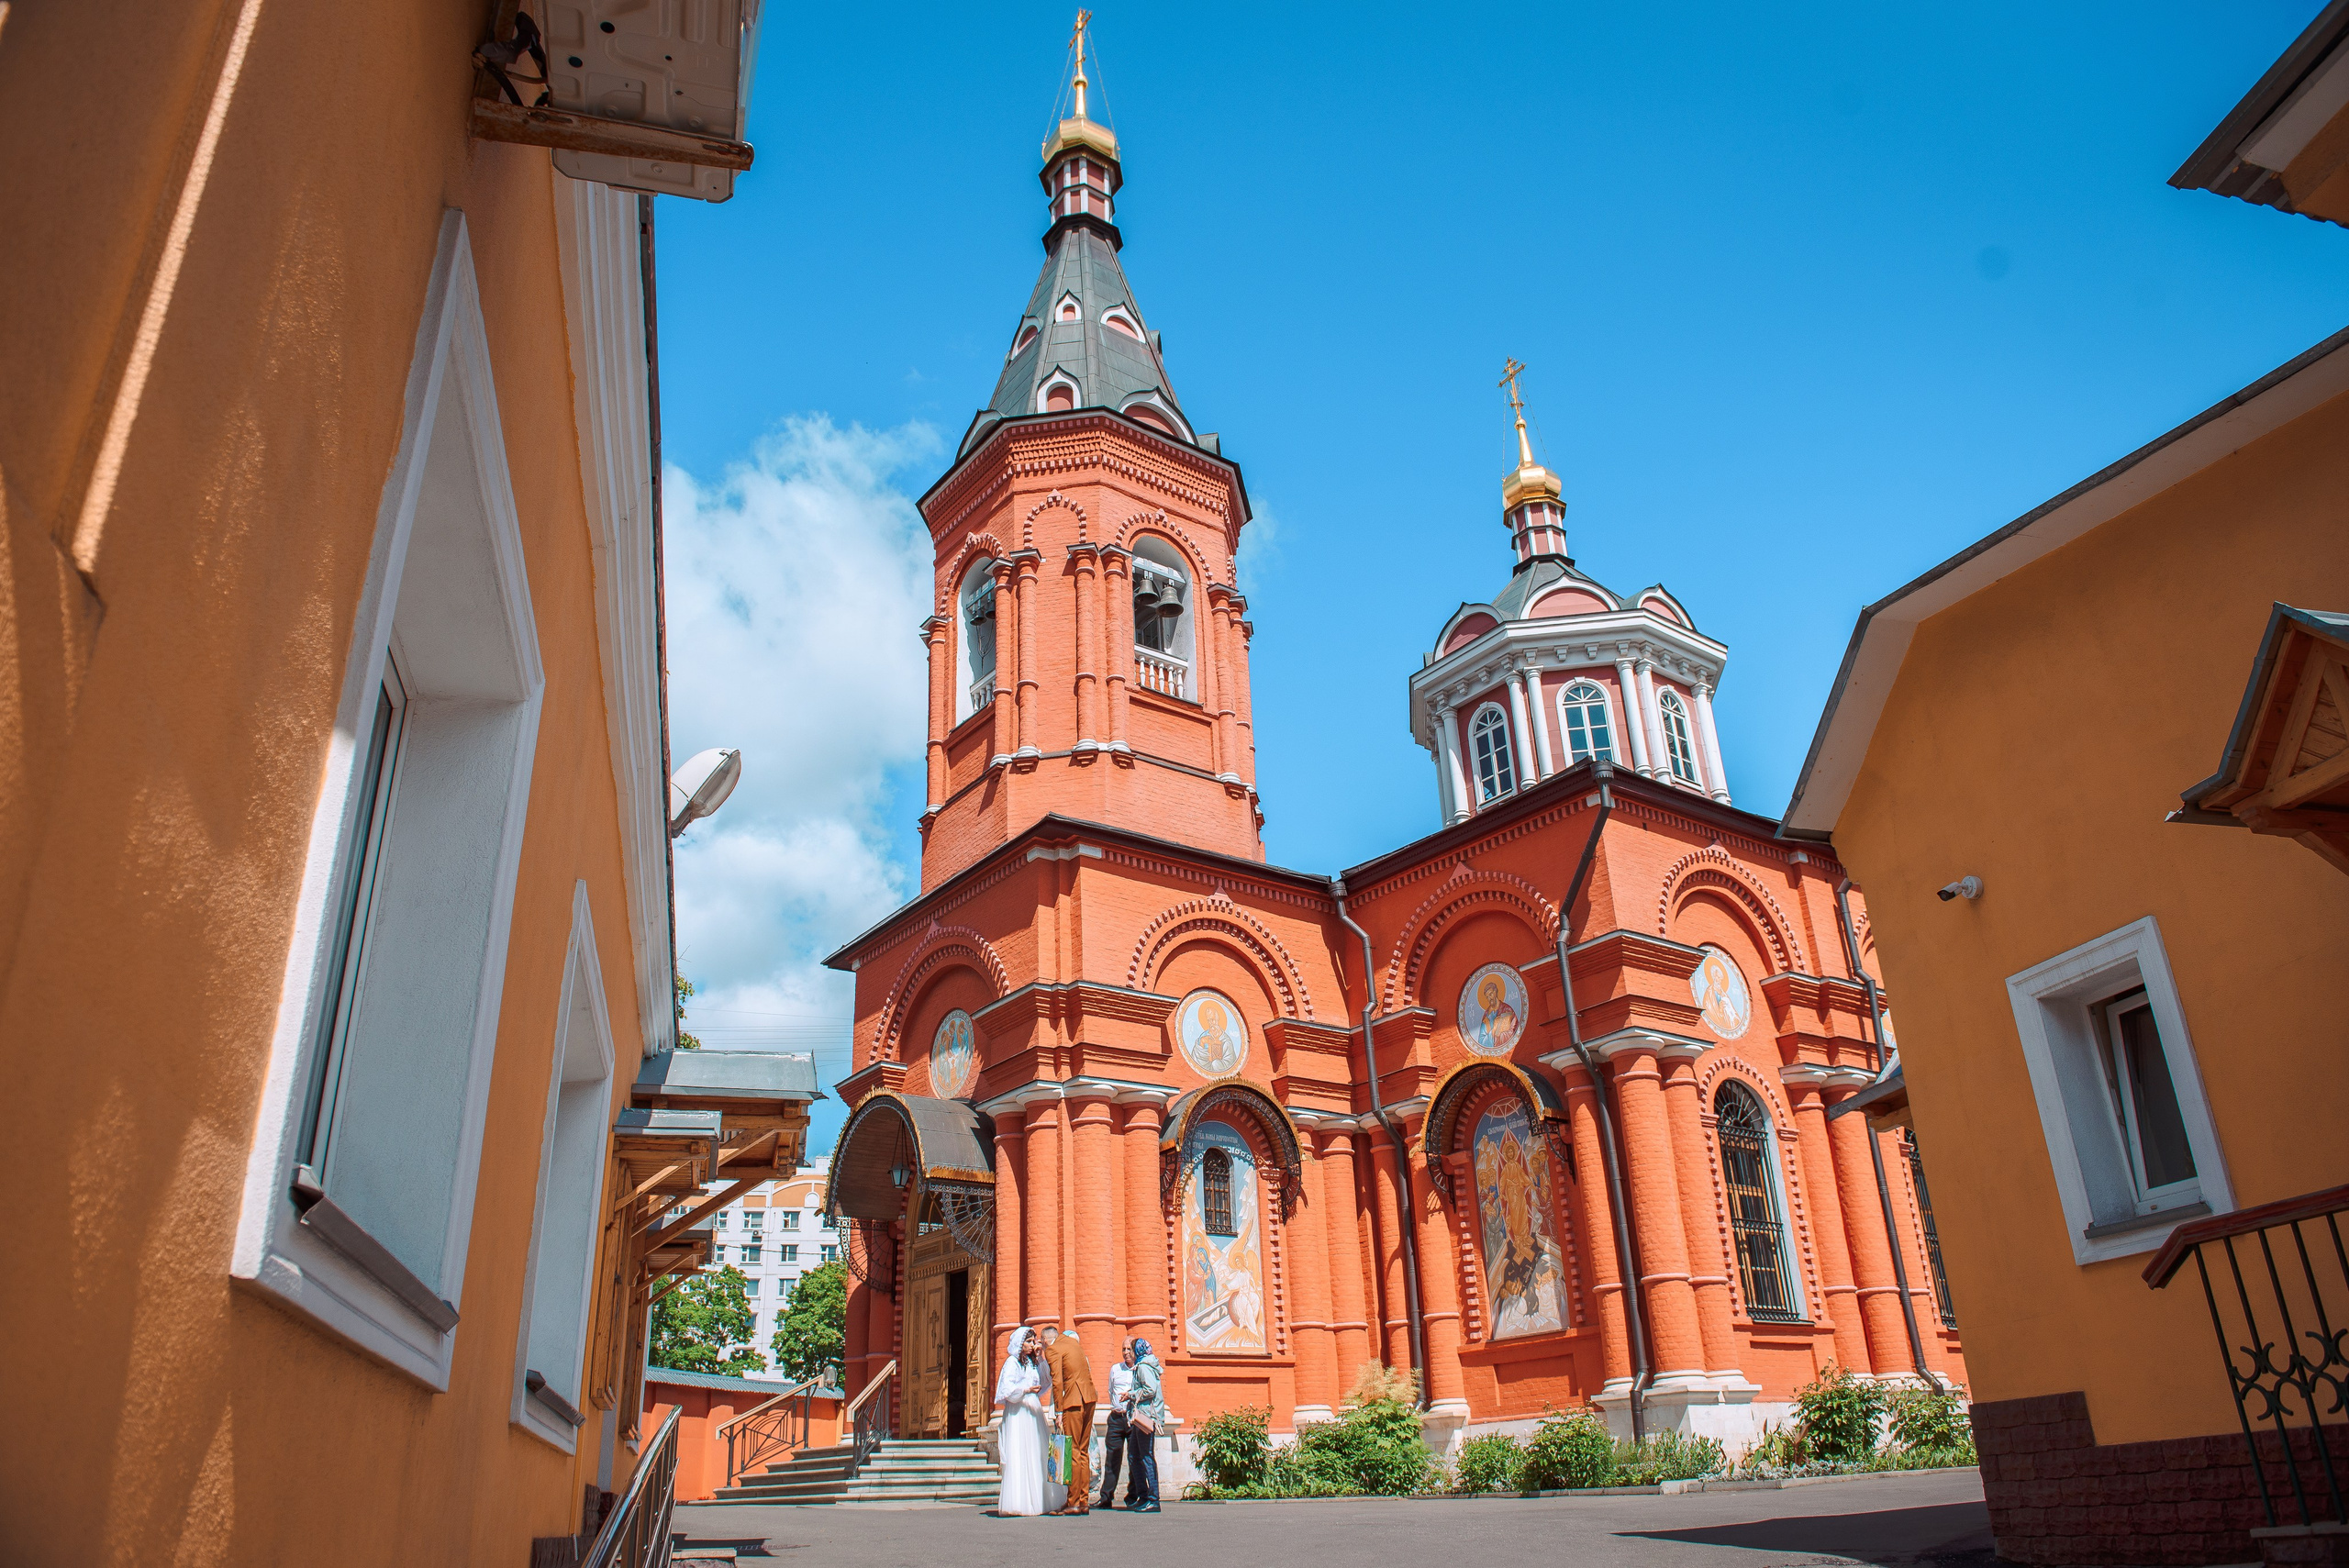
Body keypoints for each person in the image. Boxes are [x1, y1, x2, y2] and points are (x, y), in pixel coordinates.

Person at [992, 1328, 1055, 1517]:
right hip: (1018, 1411)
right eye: (1028, 1342)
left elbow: (1046, 1380)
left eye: (1033, 1341)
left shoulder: (1032, 1362)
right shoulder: (1012, 1362)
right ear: (1020, 1343)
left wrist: (1041, 1356)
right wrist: (1026, 1389)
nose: (1031, 1345)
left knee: (1037, 1452)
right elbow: (1007, 1390)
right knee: (1020, 1452)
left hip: (1033, 1410)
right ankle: (1019, 1501)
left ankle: (1039, 1500)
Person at [1039, 1324, 1097, 1515]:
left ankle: (1072, 1502)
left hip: (1073, 1402)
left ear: (1046, 1340)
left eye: (1042, 1342)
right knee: (1083, 1452)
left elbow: (1057, 1382)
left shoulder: (1053, 1350)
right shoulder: (1073, 1343)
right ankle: (1083, 1501)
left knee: (1072, 1450)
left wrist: (1058, 1412)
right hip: (1089, 1398)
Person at [1095, 1341, 1143, 1509]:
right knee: (1112, 1457)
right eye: (1123, 1349)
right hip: (1116, 1418)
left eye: (1129, 1349)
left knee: (1134, 1458)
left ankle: (1133, 1496)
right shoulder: (1116, 1369)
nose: (1125, 1352)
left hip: (1133, 1419)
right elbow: (1110, 1390)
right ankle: (1106, 1497)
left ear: (1135, 1351)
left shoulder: (1139, 1370)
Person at [1124, 1338, 1164, 1511]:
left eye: (1130, 1350)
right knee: (1134, 1455)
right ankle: (1143, 1495)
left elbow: (1150, 1390)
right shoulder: (1143, 1365)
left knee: (1146, 1456)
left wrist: (1131, 1394)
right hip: (1141, 1416)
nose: (1128, 1354)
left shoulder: (1144, 1367)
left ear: (1137, 1351)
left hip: (1146, 1417)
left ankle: (1153, 1499)